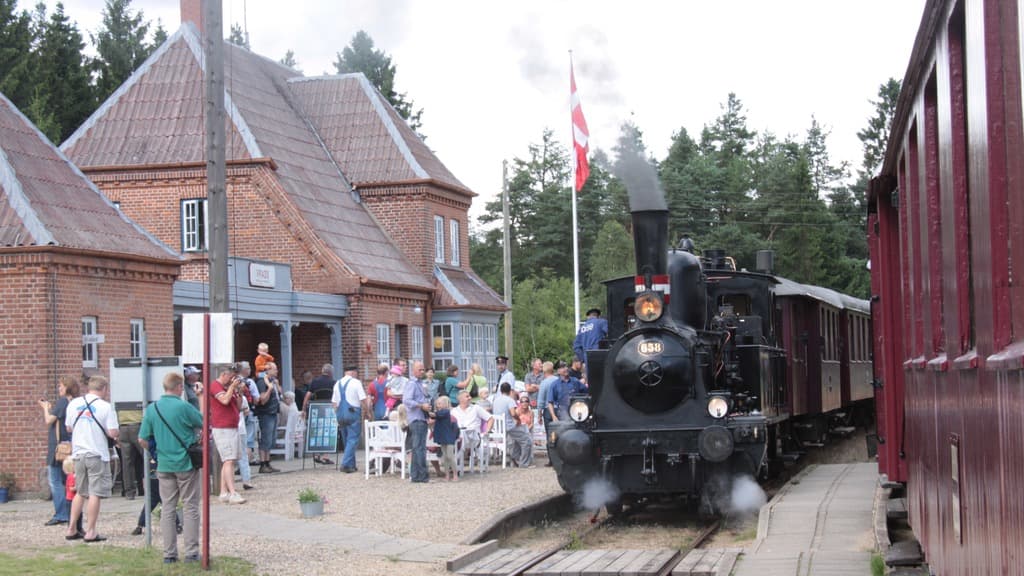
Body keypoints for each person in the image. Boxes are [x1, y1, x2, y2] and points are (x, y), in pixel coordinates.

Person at [138, 372, 203, 564]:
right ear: (179, 387)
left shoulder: (152, 409)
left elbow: (142, 439)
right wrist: (200, 397)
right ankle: (191, 552)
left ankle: (169, 554)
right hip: (185, 463)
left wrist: (156, 453)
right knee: (190, 507)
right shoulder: (184, 407)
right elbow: (203, 421)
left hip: (164, 465)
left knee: (167, 508)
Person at [64, 375, 119, 542]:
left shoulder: (74, 404)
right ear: (104, 389)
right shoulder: (106, 407)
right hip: (96, 453)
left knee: (80, 492)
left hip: (78, 454)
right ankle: (91, 531)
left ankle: (71, 528)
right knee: (95, 493)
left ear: (89, 388)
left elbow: (68, 428)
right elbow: (113, 432)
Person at [40, 376, 78, 526]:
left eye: (61, 386)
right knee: (68, 480)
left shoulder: (63, 402)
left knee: (55, 481)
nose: (59, 388)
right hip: (68, 444)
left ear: (67, 387)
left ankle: (61, 514)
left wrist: (45, 408)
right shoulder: (74, 402)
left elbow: (49, 420)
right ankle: (70, 512)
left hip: (58, 447)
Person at [208, 368, 246, 504]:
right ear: (223, 374)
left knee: (229, 460)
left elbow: (238, 406)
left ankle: (223, 492)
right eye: (230, 377)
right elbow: (224, 400)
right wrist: (231, 387)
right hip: (222, 428)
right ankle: (232, 492)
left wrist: (239, 392)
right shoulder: (215, 386)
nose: (232, 380)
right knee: (228, 459)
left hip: (232, 426)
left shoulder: (229, 388)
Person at [333, 365, 368, 473]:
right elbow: (363, 399)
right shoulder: (356, 382)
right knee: (352, 440)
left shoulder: (337, 383)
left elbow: (334, 403)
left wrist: (337, 414)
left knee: (346, 440)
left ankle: (351, 465)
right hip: (353, 413)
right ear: (353, 372)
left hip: (340, 414)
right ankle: (345, 464)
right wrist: (367, 411)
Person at [402, 361, 431, 483]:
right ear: (413, 370)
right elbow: (407, 400)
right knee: (419, 448)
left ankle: (415, 475)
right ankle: (422, 475)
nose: (422, 372)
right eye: (420, 369)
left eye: (423, 369)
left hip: (422, 417)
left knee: (417, 447)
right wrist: (421, 405)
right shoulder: (412, 384)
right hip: (416, 418)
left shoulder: (421, 383)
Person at [451, 391, 493, 471]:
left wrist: (487, 430)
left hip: (474, 437)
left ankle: (455, 462)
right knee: (460, 434)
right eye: (467, 396)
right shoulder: (454, 411)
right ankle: (457, 459)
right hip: (458, 437)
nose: (470, 398)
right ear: (460, 399)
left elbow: (490, 418)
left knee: (463, 435)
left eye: (469, 396)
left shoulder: (476, 408)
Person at [254, 362, 282, 474]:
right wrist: (270, 389)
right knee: (266, 438)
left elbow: (281, 394)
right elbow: (263, 400)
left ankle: (267, 462)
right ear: (268, 370)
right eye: (275, 369)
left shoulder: (272, 381)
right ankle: (262, 464)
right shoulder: (262, 382)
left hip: (274, 412)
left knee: (271, 439)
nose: (276, 371)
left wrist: (276, 385)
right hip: (266, 413)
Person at [304, 364, 335, 465]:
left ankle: (316, 454)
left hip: (316, 408)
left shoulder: (315, 382)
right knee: (328, 431)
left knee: (316, 430)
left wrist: (304, 409)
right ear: (331, 373)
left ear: (322, 371)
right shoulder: (333, 382)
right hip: (329, 409)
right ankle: (325, 457)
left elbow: (307, 396)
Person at [431, 396, 459, 482]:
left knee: (450, 456)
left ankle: (455, 474)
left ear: (445, 404)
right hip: (443, 436)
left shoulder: (446, 411)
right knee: (445, 456)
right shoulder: (439, 413)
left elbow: (435, 415)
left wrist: (425, 411)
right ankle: (447, 475)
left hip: (449, 437)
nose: (437, 405)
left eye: (439, 403)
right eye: (437, 404)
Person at [537, 361, 557, 462]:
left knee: (550, 434)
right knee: (559, 432)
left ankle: (551, 459)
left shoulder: (544, 383)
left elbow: (540, 400)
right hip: (559, 410)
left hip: (548, 411)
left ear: (544, 372)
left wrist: (539, 415)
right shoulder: (558, 380)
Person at [62, 458, 83, 536]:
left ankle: (78, 529)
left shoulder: (71, 476)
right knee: (74, 515)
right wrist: (79, 487)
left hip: (71, 499)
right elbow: (71, 488)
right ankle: (75, 529)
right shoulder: (71, 477)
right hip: (71, 499)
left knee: (78, 515)